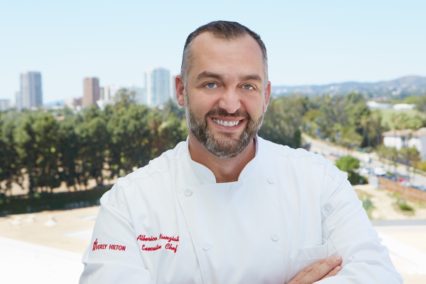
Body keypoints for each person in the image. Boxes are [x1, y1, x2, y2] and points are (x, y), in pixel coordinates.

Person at [80, 21, 401, 283]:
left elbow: (379, 276)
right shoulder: (130, 202)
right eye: (211, 84)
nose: (231, 104)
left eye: (247, 86)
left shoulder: (319, 181)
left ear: (266, 94)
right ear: (181, 90)